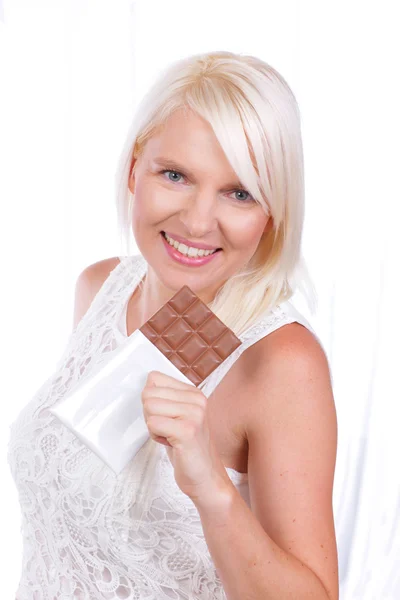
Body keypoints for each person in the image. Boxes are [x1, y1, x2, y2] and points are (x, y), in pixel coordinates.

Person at [8, 50, 339, 599]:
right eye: (176, 175)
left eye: (239, 192)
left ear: (272, 212)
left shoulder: (281, 363)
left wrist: (211, 488)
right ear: (136, 168)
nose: (197, 220)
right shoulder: (100, 288)